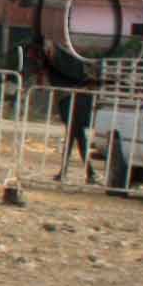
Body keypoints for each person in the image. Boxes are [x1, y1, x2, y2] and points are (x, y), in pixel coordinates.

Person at [34, 35, 96, 183]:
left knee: (74, 135)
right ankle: (88, 172)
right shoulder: (67, 60)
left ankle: (68, 171)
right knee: (78, 135)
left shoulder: (67, 61)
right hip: (72, 97)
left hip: (74, 99)